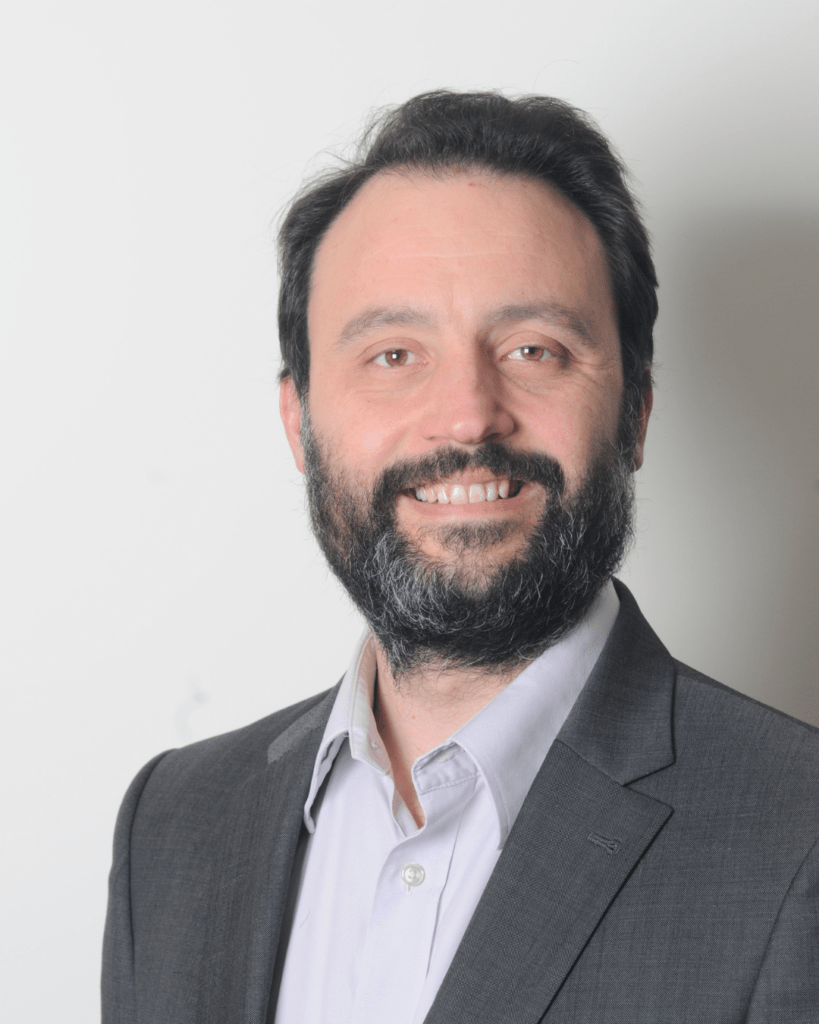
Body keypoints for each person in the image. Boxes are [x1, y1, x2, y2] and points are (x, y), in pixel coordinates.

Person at [102, 92, 819, 1023]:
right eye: (393, 355)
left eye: (533, 349)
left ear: (634, 413)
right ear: (298, 422)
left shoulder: (796, 832)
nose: (468, 416)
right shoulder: (172, 824)